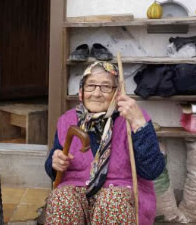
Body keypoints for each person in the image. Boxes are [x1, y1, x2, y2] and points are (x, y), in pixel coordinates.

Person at [44, 61, 165, 225]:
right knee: (61, 198)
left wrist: (138, 123)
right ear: (81, 92)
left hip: (120, 194)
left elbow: (152, 170)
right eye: (90, 86)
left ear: (117, 93)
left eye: (106, 87)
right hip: (77, 192)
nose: (97, 93)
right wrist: (55, 162)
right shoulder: (68, 120)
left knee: (111, 202)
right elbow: (54, 166)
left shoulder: (132, 117)